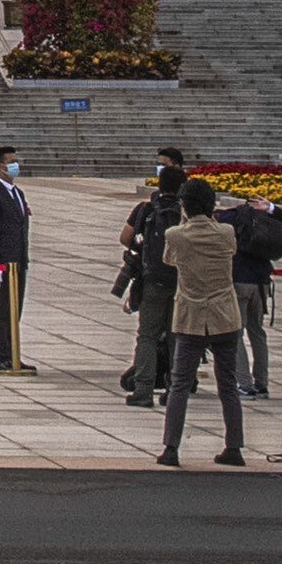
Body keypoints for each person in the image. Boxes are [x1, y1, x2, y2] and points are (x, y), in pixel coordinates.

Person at [153, 178, 257, 466]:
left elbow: (169, 260)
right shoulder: (226, 232)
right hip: (225, 314)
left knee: (180, 384)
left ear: (184, 205)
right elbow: (232, 252)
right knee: (228, 384)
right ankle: (234, 446)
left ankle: (171, 447)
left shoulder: (176, 235)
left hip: (191, 315)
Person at [115, 148, 187, 402]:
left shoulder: (146, 208)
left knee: (147, 335)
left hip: (152, 280)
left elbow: (125, 237)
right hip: (181, 282)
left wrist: (142, 249)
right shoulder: (186, 210)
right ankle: (175, 389)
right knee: (175, 336)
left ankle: (143, 389)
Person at [231, 175, 282, 398]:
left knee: (235, 333)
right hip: (262, 283)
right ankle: (262, 382)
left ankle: (243, 383)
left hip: (239, 281)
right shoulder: (269, 219)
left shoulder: (237, 216)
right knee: (257, 331)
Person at [0, 142, 35, 374]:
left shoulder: (18, 194)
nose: (15, 166)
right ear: (0, 167)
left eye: (15, 162)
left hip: (18, 261)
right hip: (3, 262)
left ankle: (14, 355)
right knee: (2, 310)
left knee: (16, 310)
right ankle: (3, 356)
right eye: (11, 162)